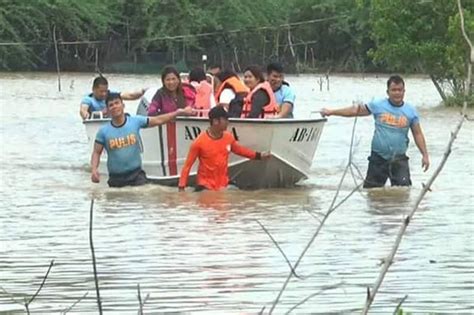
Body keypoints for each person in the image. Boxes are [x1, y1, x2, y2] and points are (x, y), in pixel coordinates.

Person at [321, 75, 430, 188]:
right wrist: (331, 111)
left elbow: (417, 134)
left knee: (403, 193)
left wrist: (425, 155)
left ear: (404, 91)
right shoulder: (378, 105)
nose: (397, 93)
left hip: (399, 159)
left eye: (399, 90)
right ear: (388, 92)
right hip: (378, 159)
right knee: (372, 193)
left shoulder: (411, 111)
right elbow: (355, 111)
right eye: (393, 90)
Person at [91, 93, 193, 187]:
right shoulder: (103, 131)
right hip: (116, 178)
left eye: (117, 103)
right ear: (107, 110)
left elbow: (158, 120)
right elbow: (96, 152)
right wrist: (94, 170)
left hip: (136, 175)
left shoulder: (136, 121)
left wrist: (178, 113)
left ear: (123, 105)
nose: (114, 107)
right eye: (111, 105)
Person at [178, 106, 270, 191]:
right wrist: (181, 189)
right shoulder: (198, 142)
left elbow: (241, 151)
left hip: (223, 185)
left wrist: (259, 155)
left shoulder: (228, 137)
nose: (228, 122)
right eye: (225, 119)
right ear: (215, 121)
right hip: (205, 187)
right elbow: (187, 167)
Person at [79, 76, 145, 120]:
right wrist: (85, 114)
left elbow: (130, 96)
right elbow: (83, 110)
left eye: (105, 91)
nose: (104, 94)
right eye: (101, 91)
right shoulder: (88, 99)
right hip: (97, 124)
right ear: (93, 89)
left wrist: (143, 91)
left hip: (114, 123)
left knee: (127, 116)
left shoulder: (111, 95)